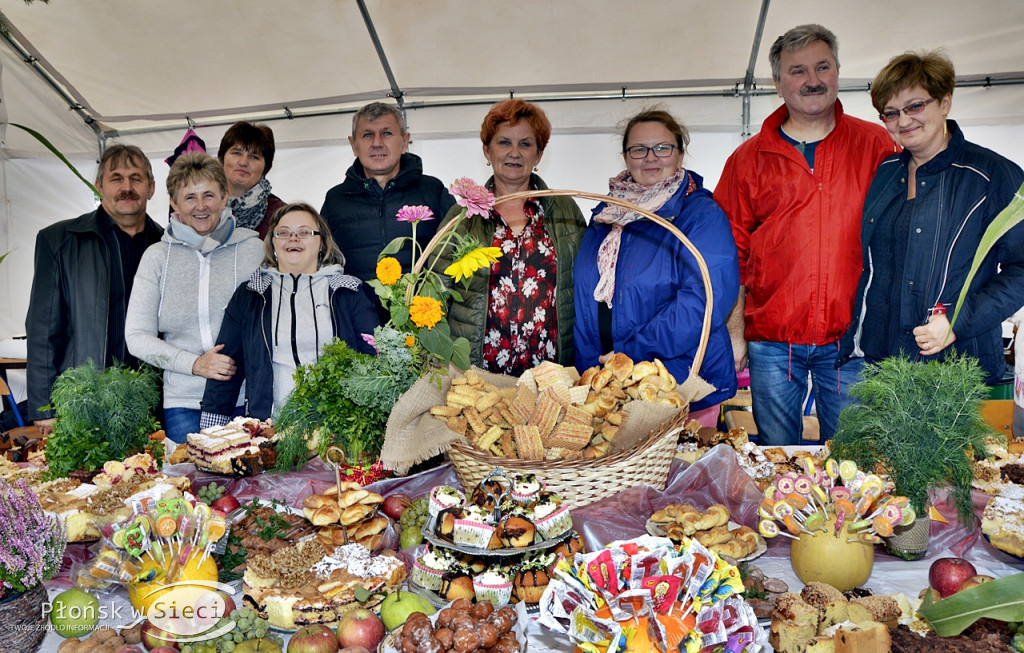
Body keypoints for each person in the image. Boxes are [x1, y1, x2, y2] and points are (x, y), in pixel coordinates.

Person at [716, 24, 897, 444]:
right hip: (773, 344)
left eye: (822, 67)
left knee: (853, 464)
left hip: (851, 343)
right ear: (777, 83)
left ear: (837, 72)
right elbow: (731, 254)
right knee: (779, 459)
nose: (812, 80)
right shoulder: (748, 159)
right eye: (798, 71)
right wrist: (736, 334)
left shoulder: (877, 145)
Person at [837, 51, 1024, 385]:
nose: (903, 121)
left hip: (957, 372)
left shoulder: (994, 175)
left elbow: (1021, 270)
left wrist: (958, 320)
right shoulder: (885, 173)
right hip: (880, 367)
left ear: (945, 102)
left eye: (915, 106)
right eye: (890, 113)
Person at [574, 108, 739, 424]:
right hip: (611, 385)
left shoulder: (700, 216)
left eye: (662, 148)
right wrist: (595, 373)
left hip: (675, 383)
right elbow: (586, 301)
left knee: (681, 472)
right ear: (626, 157)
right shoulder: (607, 216)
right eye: (639, 149)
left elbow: (701, 305)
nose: (650, 157)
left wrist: (627, 356)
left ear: (680, 154)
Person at [436, 99, 586, 375]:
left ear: (539, 154)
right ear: (487, 150)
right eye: (504, 142)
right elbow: (436, 290)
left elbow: (586, 285)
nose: (514, 152)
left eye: (526, 144)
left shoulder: (564, 209)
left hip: (551, 371)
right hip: (479, 373)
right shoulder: (463, 215)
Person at [125, 153, 264, 443]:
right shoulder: (157, 257)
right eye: (189, 197)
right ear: (174, 203)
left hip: (247, 398)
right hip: (183, 403)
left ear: (225, 197)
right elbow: (136, 336)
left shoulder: (254, 250)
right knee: (192, 486)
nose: (200, 206)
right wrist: (194, 364)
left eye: (209, 195)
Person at [200, 203, 379, 426]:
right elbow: (225, 366)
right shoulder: (250, 294)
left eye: (304, 232)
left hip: (338, 429)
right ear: (272, 243)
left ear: (322, 242)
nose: (293, 238)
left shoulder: (349, 290)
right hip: (269, 430)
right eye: (283, 233)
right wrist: (210, 430)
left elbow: (374, 359)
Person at [26, 144, 164, 435]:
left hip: (153, 402)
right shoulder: (60, 241)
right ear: (99, 186)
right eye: (116, 178)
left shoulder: (168, 245)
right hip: (83, 400)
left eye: (136, 178)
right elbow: (43, 329)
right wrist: (46, 408)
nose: (127, 187)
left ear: (151, 188)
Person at [321, 102, 455, 323]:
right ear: (353, 145)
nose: (377, 143)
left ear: (404, 141)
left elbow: (454, 257)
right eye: (367, 135)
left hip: (423, 328)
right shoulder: (336, 200)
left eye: (387, 133)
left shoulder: (433, 191)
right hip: (356, 328)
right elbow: (320, 264)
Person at [218, 121, 286, 239]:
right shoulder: (204, 207)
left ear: (265, 168)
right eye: (237, 153)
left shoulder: (281, 215)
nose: (243, 162)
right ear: (222, 158)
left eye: (254, 156)